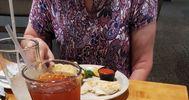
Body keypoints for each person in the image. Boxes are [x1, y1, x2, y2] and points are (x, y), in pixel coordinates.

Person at [25, 0, 158, 80]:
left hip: (120, 96)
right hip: (67, 92)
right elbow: (31, 37)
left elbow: (142, 63)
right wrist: (32, 45)